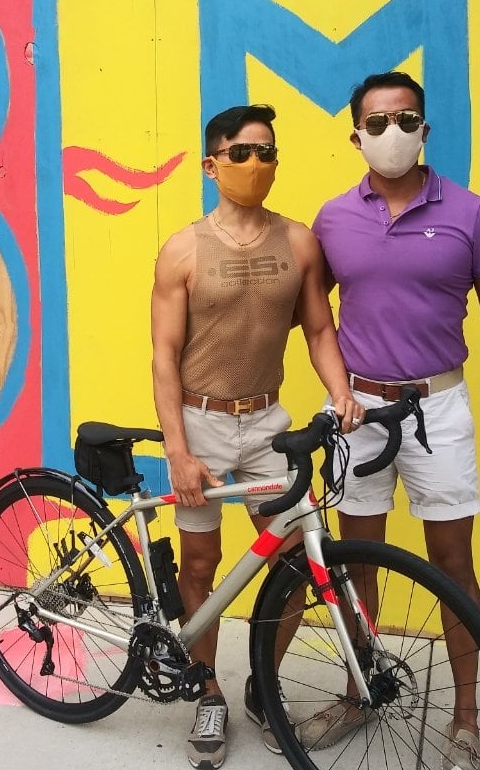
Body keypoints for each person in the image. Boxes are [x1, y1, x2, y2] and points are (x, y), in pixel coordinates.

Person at [309, 71, 480, 768]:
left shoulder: (471, 214)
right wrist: (336, 393)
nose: (391, 133)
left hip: (438, 406)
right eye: (375, 123)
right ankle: (357, 689)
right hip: (359, 409)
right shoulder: (332, 219)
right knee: (358, 559)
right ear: (355, 136)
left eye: (404, 119)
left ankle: (465, 715)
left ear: (426, 128)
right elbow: (317, 321)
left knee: (453, 563)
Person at [151, 103, 362, 770]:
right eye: (241, 153)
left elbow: (320, 332)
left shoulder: (298, 243)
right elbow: (163, 356)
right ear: (212, 165)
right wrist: (178, 450)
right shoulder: (182, 249)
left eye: (266, 152)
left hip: (268, 423)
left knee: (293, 567)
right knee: (200, 567)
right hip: (201, 422)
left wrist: (341, 392)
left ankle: (262, 688)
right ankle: (207, 688)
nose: (256, 164)